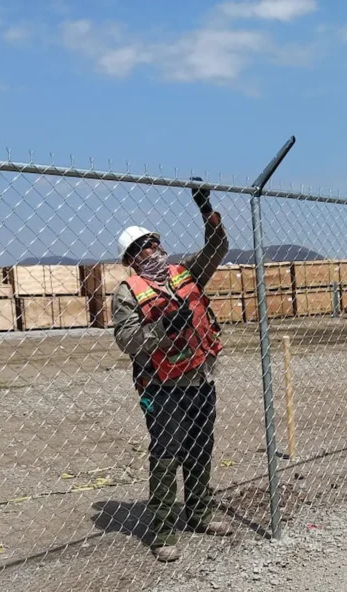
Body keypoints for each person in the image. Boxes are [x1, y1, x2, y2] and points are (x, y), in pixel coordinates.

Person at [111, 178, 233, 562]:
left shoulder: (186, 273)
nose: (150, 251)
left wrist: (205, 209)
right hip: (162, 386)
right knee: (167, 452)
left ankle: (199, 513)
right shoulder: (127, 293)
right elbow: (128, 341)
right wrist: (166, 328)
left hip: (199, 377)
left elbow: (218, 248)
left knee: (200, 446)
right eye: (140, 249)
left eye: (152, 244)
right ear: (131, 260)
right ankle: (163, 530)